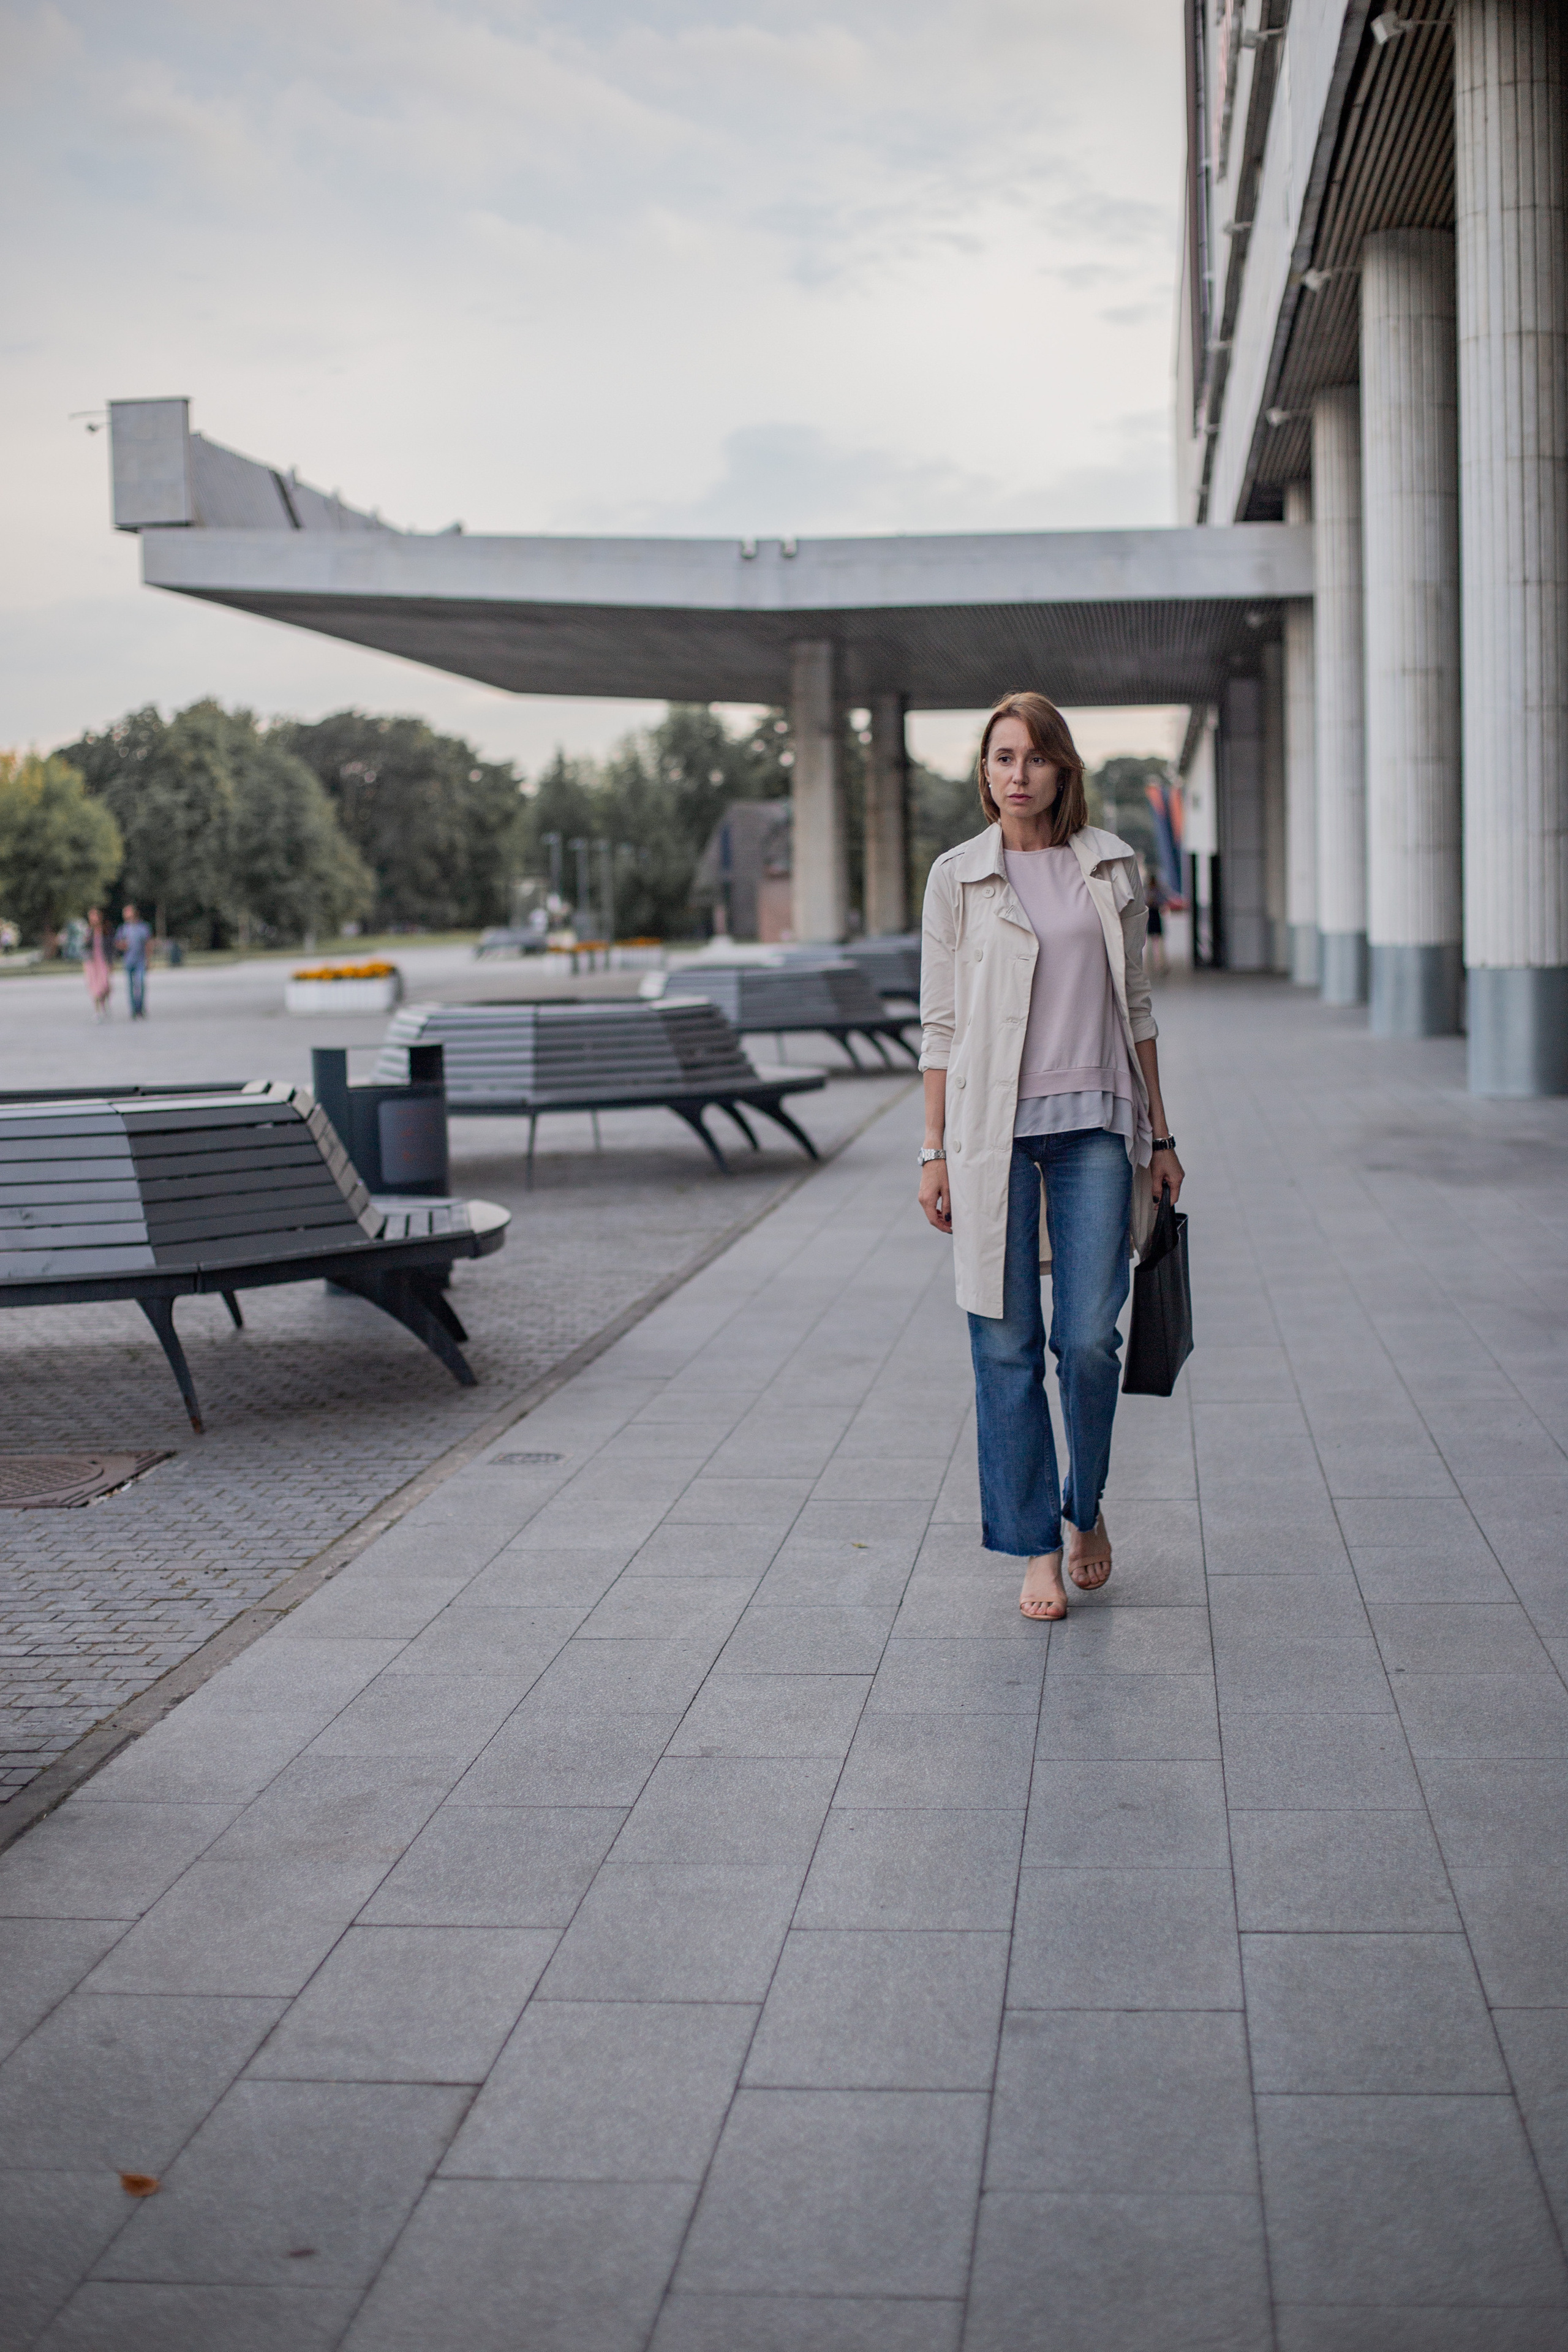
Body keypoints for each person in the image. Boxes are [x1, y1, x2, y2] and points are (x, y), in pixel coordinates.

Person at [918, 692, 1185, 1623]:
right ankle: (1034, 1547)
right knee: (1003, 1343)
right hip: (991, 1138)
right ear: (984, 774)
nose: (1017, 773)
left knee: (1086, 1343)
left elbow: (1138, 1008)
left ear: (1062, 768)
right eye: (1001, 758)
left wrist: (1163, 1134)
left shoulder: (1109, 867)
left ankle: (1083, 1510)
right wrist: (933, 1149)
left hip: (1097, 1131)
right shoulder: (957, 877)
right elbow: (941, 1024)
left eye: (1033, 757)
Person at [115, 903, 151, 1019]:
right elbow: (118, 943)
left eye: (127, 911)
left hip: (140, 961)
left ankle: (141, 1008)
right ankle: (133, 1010)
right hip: (128, 961)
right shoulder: (123, 928)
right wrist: (122, 945)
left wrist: (148, 960)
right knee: (130, 987)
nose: (125, 914)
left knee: (140, 984)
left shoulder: (143, 927)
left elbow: (148, 945)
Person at [83, 907, 114, 1020]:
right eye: (91, 917)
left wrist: (110, 963)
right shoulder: (88, 931)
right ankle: (97, 1012)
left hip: (103, 962)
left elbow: (110, 948)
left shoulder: (106, 930)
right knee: (95, 987)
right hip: (92, 963)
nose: (93, 919)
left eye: (95, 916)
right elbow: (85, 948)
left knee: (105, 986)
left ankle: (104, 1004)